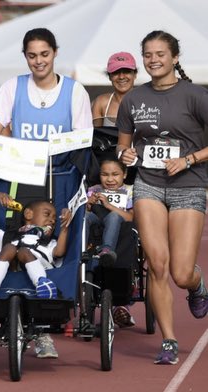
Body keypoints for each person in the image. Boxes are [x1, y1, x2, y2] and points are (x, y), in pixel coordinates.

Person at [0, 27, 93, 359]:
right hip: (20, 177)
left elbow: (83, 140)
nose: (39, 61)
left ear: (55, 53)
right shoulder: (13, 88)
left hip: (61, 180)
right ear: (25, 56)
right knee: (15, 240)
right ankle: (13, 316)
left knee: (52, 247)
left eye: (44, 54)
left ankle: (45, 327)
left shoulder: (75, 92)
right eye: (32, 55)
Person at [116, 30, 208, 365]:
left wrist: (189, 159)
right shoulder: (134, 99)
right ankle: (169, 340)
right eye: (148, 55)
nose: (154, 60)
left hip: (189, 185)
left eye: (160, 54)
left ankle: (197, 286)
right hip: (148, 185)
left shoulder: (195, 96)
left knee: (180, 273)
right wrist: (125, 155)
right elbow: (123, 144)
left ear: (175, 57)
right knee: (157, 264)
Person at [0, 192, 72, 298]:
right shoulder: (9, 236)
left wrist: (64, 225)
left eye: (55, 220)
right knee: (9, 247)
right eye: (47, 214)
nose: (52, 220)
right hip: (11, 269)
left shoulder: (49, 242)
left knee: (23, 251)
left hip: (40, 267)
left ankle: (43, 284)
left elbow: (59, 252)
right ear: (28, 214)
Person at [85, 157, 135, 327]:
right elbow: (83, 213)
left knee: (114, 216)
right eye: (105, 175)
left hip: (119, 230)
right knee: (84, 217)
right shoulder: (93, 190)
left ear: (124, 174)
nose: (110, 179)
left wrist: (108, 205)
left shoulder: (129, 191)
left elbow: (130, 217)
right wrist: (88, 204)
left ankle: (106, 251)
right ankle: (81, 251)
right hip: (96, 224)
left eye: (115, 174)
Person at [92, 52, 138, 127]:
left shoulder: (145, 102)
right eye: (116, 72)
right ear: (110, 76)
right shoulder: (101, 102)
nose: (121, 77)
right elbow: (95, 135)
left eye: (126, 71)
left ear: (135, 75)